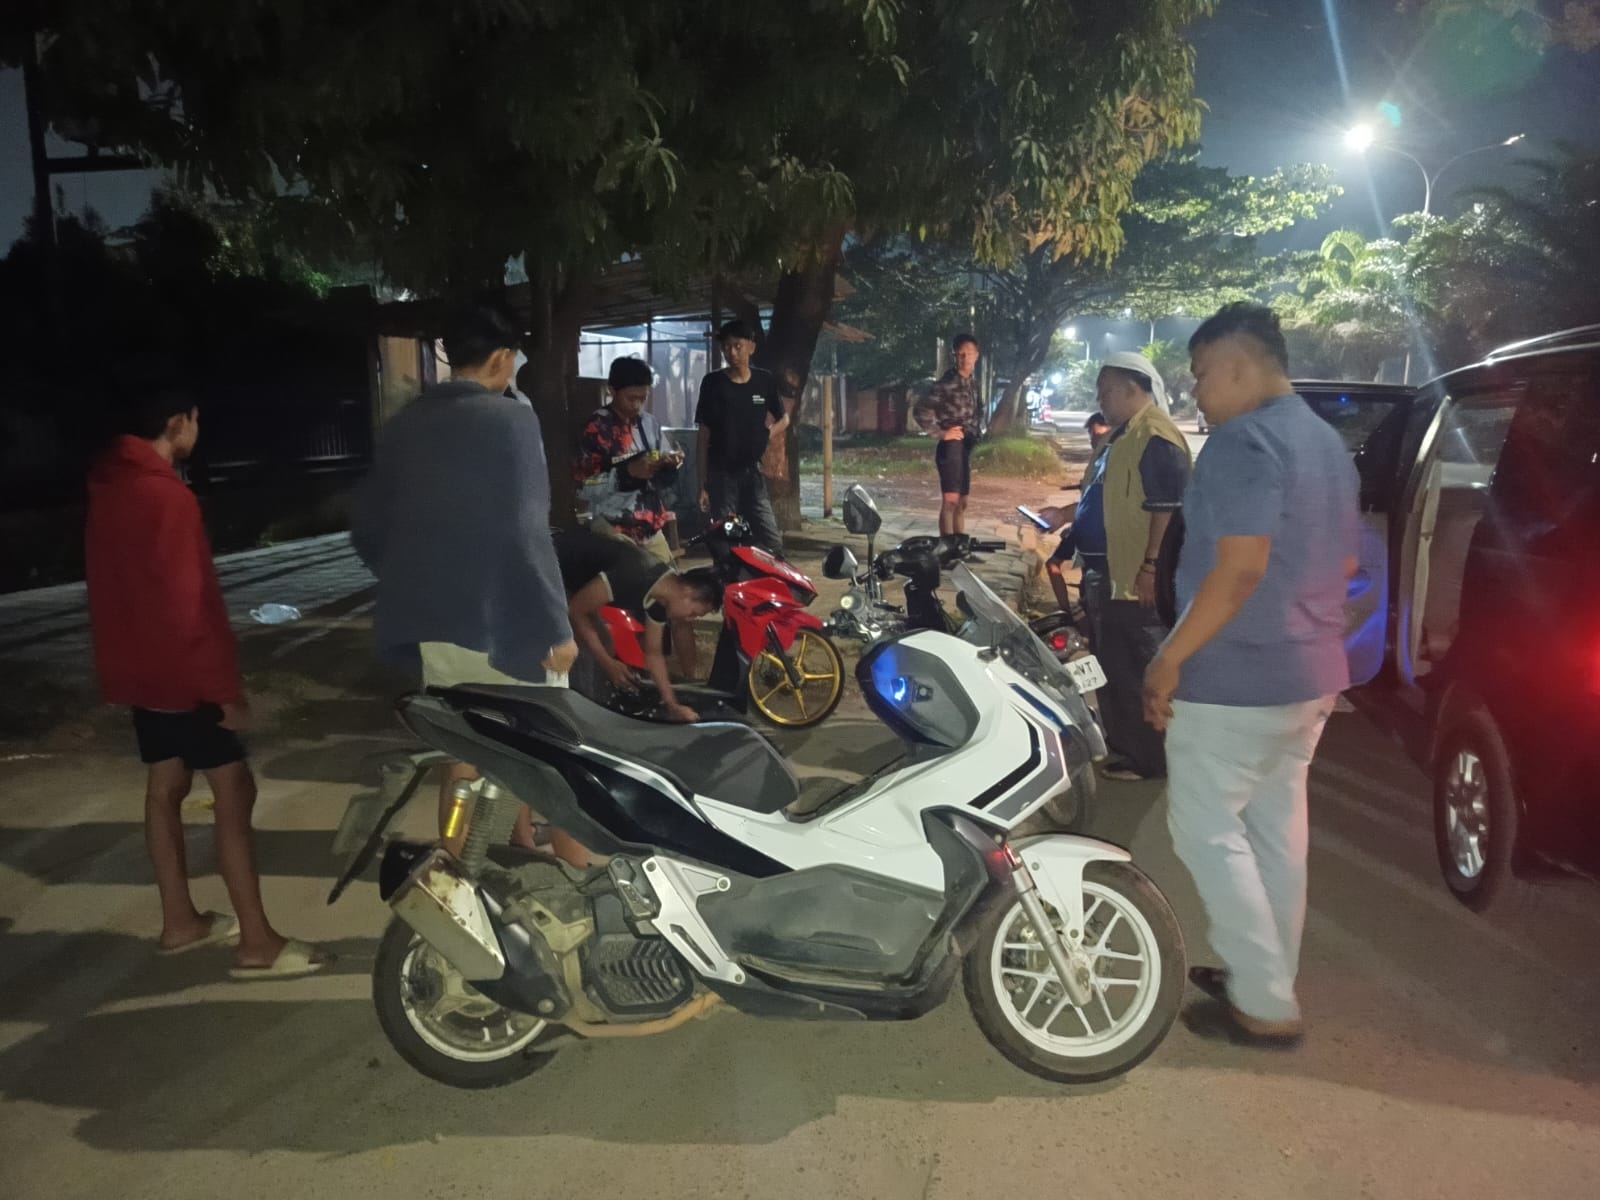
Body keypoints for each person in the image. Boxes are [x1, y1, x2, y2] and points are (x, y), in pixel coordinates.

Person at [1142, 302, 1358, 1047]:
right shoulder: (1327, 444)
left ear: (1238, 366)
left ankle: (1263, 998)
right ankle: (1264, 977)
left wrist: (1169, 657)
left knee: (1204, 827)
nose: (1197, 393)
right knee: (1275, 831)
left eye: (1202, 374)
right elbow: (1347, 560)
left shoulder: (1243, 441)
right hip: (1311, 676)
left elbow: (1239, 569)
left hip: (1237, 679)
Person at [85, 374, 331, 980]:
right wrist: (224, 691)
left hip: (141, 672)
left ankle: (179, 920)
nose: (197, 430)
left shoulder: (109, 489)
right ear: (178, 423)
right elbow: (190, 607)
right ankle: (257, 940)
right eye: (194, 420)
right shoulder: (168, 498)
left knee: (165, 784)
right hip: (182, 673)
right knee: (233, 789)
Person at [353, 305, 584, 864]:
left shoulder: (405, 425)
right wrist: (557, 627)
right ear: (502, 358)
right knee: (557, 759)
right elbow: (526, 529)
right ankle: (579, 883)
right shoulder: (510, 420)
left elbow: (367, 528)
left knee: (463, 754)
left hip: (436, 625)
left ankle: (453, 874)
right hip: (509, 623)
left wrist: (420, 576)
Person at [1042, 352, 1190, 781]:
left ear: (1131, 388)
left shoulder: (1155, 437)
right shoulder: (1121, 437)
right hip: (1105, 575)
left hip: (1132, 579)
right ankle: (1126, 746)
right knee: (1112, 666)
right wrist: (1064, 515)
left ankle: (1152, 759)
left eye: (1105, 391)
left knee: (1138, 667)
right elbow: (1106, 500)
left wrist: (1151, 568)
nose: (1099, 399)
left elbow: (1167, 511)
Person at [555, 529, 724, 723]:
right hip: (549, 562)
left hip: (575, 582)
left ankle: (589, 705)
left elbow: (654, 654)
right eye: (694, 613)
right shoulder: (637, 574)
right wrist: (607, 664)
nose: (689, 619)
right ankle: (574, 718)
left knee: (605, 645)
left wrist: (672, 705)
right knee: (582, 655)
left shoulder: (661, 597)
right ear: (687, 591)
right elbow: (576, 610)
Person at [576, 356, 683, 566]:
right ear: (612, 391)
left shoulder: (649, 424)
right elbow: (583, 487)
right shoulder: (596, 428)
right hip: (612, 526)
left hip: (650, 526)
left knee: (670, 579)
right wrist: (627, 473)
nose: (637, 405)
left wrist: (670, 464)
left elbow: (663, 472)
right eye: (631, 398)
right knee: (632, 578)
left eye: (642, 398)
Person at [695, 320, 788, 555]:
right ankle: (727, 578)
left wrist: (767, 434)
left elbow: (784, 419)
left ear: (751, 347)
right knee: (726, 542)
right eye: (726, 347)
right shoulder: (712, 383)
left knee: (772, 542)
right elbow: (703, 435)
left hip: (753, 474)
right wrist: (702, 484)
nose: (732, 353)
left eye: (738, 346)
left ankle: (762, 578)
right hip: (721, 475)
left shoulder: (764, 380)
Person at [912, 333, 982, 535]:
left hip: (966, 445)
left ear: (976, 356)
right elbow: (920, 410)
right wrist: (941, 433)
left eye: (969, 354)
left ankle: (959, 544)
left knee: (962, 502)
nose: (965, 358)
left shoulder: (973, 383)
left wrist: (976, 432)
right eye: (960, 354)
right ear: (955, 356)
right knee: (950, 501)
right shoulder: (946, 383)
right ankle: (947, 546)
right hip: (951, 447)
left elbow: (979, 410)